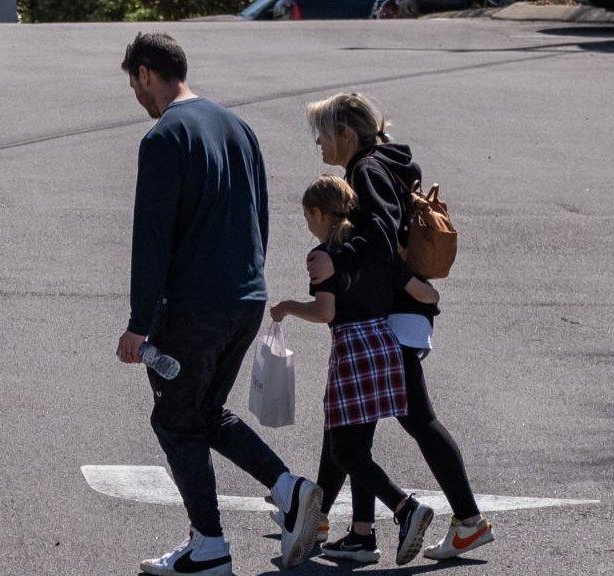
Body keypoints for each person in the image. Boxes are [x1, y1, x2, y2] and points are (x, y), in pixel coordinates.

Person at [115, 32, 322, 575]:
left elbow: (152, 237)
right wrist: (252, 282)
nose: (137, 98)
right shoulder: (239, 128)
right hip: (243, 297)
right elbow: (261, 215)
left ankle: (210, 545)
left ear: (145, 73)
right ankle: (287, 490)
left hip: (193, 306)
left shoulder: (164, 138)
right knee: (203, 413)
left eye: (134, 85)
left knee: (176, 421)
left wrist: (139, 324)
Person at [305, 92, 496, 561]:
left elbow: (380, 236)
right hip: (393, 312)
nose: (319, 145)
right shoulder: (384, 164)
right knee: (353, 421)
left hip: (390, 314)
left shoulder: (366, 170)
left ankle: (464, 521)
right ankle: (348, 528)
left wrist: (336, 258)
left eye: (323, 135)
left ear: (347, 134)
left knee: (408, 419)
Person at [271, 175, 439, 565]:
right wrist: (433, 299)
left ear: (317, 212)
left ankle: (405, 508)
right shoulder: (374, 247)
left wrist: (288, 307)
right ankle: (360, 535)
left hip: (352, 350)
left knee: (346, 450)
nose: (308, 225)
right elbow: (421, 292)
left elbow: (325, 311)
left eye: (307, 217)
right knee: (352, 445)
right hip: (385, 344)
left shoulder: (322, 256)